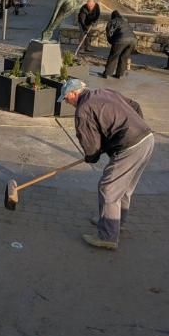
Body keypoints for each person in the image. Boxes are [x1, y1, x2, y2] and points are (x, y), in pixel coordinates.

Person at [59, 79, 154, 250]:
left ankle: (108, 236)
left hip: (130, 146)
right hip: (147, 138)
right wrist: (136, 128)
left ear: (73, 93)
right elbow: (135, 105)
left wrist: (91, 156)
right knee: (123, 188)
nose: (66, 102)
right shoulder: (104, 92)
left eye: (66, 98)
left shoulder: (83, 110)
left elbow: (90, 144)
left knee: (108, 188)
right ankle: (115, 222)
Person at [100, 10, 136, 78]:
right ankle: (119, 74)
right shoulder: (125, 21)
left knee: (113, 56)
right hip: (133, 40)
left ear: (112, 16)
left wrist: (111, 41)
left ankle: (107, 74)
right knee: (124, 57)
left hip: (121, 40)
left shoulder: (112, 21)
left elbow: (109, 33)